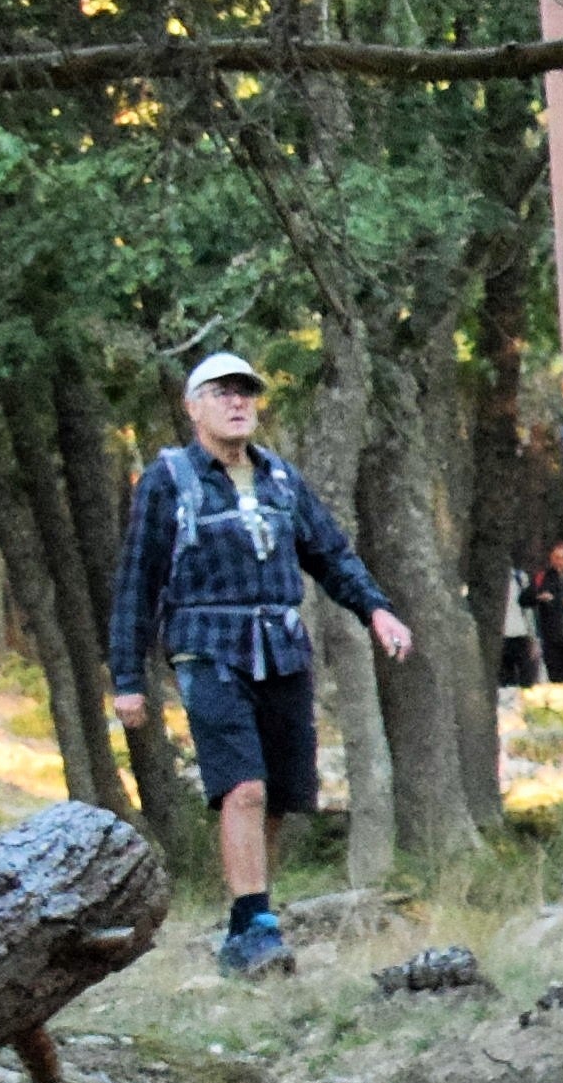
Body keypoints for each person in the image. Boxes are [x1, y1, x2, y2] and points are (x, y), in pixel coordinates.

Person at [104, 346, 410, 981]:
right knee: (241, 787)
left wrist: (376, 610)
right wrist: (128, 680)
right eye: (222, 392)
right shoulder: (169, 480)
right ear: (193, 408)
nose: (238, 402)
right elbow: (137, 581)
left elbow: (330, 553)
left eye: (245, 391)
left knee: (280, 794)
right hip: (208, 645)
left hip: (283, 645)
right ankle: (256, 921)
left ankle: (248, 922)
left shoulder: (279, 478)